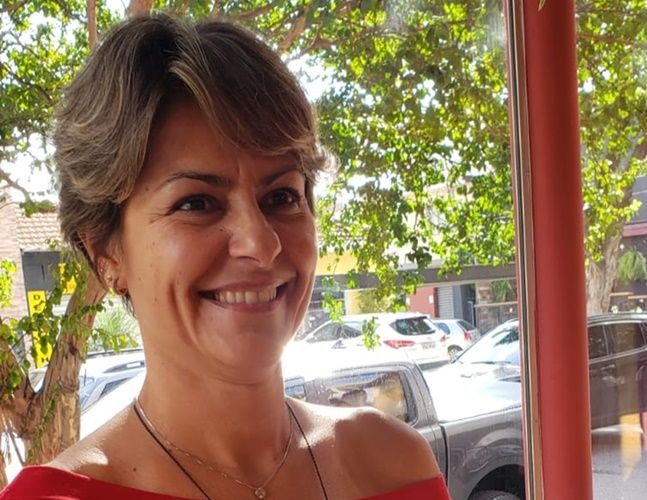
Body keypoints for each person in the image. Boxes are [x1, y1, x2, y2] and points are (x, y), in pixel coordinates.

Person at [1, 14, 449, 500]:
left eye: (281, 196)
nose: (260, 242)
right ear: (106, 254)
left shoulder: (394, 463)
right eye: (196, 203)